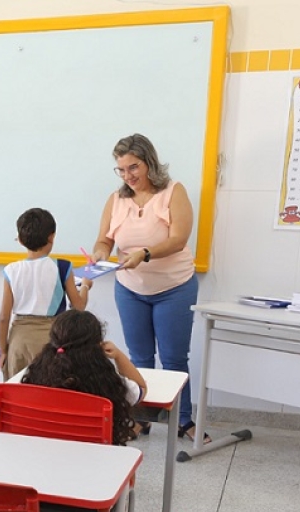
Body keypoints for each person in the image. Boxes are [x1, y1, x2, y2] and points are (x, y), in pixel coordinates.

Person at [89, 133, 207, 442]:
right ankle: (142, 417)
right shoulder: (116, 200)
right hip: (130, 288)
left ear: (149, 163)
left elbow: (178, 239)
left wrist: (146, 253)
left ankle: (182, 419)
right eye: (122, 170)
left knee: (174, 359)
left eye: (134, 167)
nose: (128, 176)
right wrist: (101, 252)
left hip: (174, 287)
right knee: (138, 357)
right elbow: (104, 239)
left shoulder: (173, 192)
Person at [22, 309, 147, 512]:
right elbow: (141, 389)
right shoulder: (110, 385)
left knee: (57, 453)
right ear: (96, 344)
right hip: (96, 475)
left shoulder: (35, 378)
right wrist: (119, 356)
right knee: (124, 472)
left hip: (43, 471)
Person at [0, 207, 90, 380]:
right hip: (51, 339)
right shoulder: (62, 267)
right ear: (52, 236)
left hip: (19, 340)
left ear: (20, 240)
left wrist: (3, 350)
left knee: (19, 392)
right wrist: (84, 286)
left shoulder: (11, 270)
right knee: (48, 390)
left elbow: (4, 316)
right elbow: (79, 306)